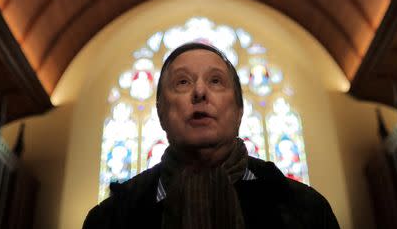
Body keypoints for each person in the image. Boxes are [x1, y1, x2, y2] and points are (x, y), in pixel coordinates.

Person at [83, 42, 340, 229]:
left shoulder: (305, 210)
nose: (199, 92)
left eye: (216, 81)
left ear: (239, 111)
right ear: (161, 112)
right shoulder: (110, 219)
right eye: (182, 82)